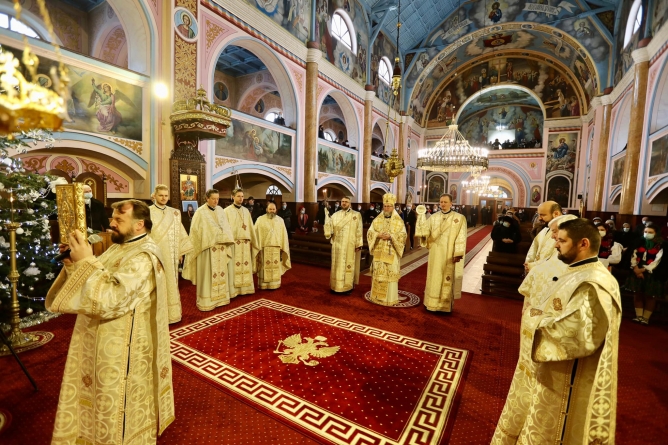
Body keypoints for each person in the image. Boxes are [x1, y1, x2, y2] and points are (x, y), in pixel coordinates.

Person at [46, 200, 174, 444]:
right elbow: (96, 279)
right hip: (98, 337)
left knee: (111, 404)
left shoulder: (144, 256)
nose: (111, 223)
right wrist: (74, 264)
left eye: (118, 220)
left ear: (139, 225)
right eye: (112, 218)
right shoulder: (119, 247)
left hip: (121, 347)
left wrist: (86, 261)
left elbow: (110, 299)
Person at [493, 218, 621, 445]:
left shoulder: (594, 282)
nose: (555, 245)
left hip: (564, 373)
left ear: (583, 244)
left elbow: (575, 333)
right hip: (545, 365)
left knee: (548, 429)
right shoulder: (572, 269)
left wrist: (533, 319)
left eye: (561, 241)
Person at [182, 189, 235, 311]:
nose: (216, 201)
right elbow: (195, 232)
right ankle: (207, 301)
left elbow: (227, 227)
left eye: (217, 199)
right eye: (213, 199)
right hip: (207, 250)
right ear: (207, 198)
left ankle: (221, 298)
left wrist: (225, 238)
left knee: (221, 274)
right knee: (207, 275)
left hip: (221, 249)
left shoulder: (221, 211)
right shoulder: (200, 212)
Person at [415, 193, 467, 313]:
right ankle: (430, 303)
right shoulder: (433, 217)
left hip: (449, 253)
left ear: (451, 203)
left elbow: (461, 236)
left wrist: (458, 253)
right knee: (434, 276)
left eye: (445, 202)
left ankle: (444, 306)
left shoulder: (459, 218)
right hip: (435, 252)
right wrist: (421, 218)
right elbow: (424, 231)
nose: (442, 204)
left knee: (446, 276)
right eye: (441, 202)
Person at [150, 184, 193, 323]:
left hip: (172, 253)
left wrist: (180, 252)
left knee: (171, 282)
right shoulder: (147, 211)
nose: (163, 198)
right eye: (161, 195)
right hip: (155, 253)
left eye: (166, 196)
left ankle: (171, 314)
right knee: (156, 283)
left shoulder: (175, 212)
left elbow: (180, 232)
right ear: (154, 196)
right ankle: (157, 316)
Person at [367, 193, 407, 305]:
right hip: (379, 252)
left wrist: (391, 237)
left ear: (393, 207)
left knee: (389, 274)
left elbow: (402, 236)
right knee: (378, 273)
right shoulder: (377, 219)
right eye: (385, 206)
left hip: (391, 251)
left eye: (389, 206)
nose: (386, 208)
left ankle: (389, 299)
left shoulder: (399, 221)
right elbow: (370, 232)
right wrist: (377, 235)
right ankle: (376, 297)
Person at [626, 222, 663, 325]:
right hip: (637, 268)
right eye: (646, 232)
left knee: (650, 295)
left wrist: (643, 270)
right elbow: (633, 255)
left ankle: (645, 318)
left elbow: (658, 261)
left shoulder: (661, 245)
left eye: (650, 232)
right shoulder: (638, 242)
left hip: (652, 271)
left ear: (656, 233)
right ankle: (639, 316)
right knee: (637, 293)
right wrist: (636, 268)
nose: (647, 234)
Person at [323, 196, 363, 294]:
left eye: (346, 202)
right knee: (337, 266)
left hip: (350, 245)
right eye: (342, 201)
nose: (344, 203)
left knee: (348, 265)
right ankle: (335, 286)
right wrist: (327, 216)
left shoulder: (356, 215)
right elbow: (330, 228)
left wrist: (358, 244)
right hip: (337, 245)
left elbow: (359, 230)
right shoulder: (335, 215)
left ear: (350, 203)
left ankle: (347, 287)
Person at [224, 187, 259, 298]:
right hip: (234, 244)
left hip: (245, 244)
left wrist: (252, 240)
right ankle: (234, 290)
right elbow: (225, 228)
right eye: (238, 196)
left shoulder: (246, 211)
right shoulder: (226, 211)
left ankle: (245, 289)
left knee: (245, 266)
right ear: (233, 197)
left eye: (242, 196)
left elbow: (250, 227)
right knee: (233, 267)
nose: (241, 198)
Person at [254, 202, 291, 290]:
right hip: (264, 248)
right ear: (266, 209)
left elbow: (284, 234)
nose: (272, 211)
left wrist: (283, 246)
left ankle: (275, 283)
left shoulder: (280, 220)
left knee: (275, 266)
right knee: (264, 266)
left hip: (276, 248)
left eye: (273, 209)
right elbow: (255, 233)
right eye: (270, 209)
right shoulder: (260, 219)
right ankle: (264, 285)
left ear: (276, 210)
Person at [524, 201, 563, 273]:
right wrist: (528, 264)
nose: (539, 218)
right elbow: (533, 250)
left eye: (542, 215)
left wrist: (534, 266)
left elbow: (558, 259)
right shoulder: (545, 230)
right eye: (538, 215)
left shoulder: (565, 232)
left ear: (556, 214)